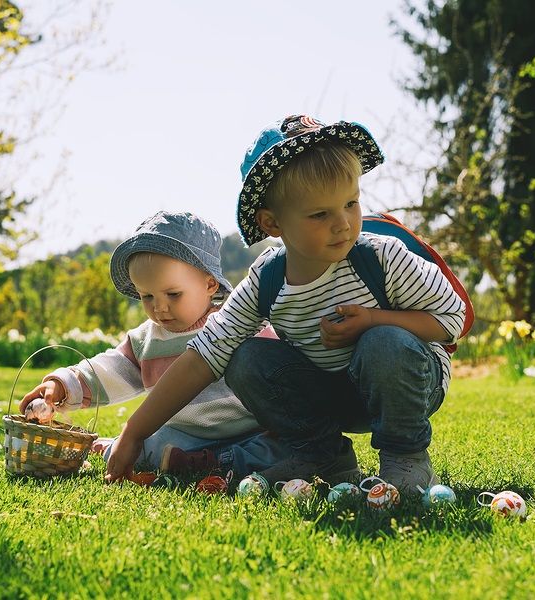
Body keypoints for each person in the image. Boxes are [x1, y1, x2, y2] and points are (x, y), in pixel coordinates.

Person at [105, 115, 466, 492]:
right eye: (320, 214)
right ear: (273, 223)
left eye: (350, 203)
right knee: (244, 357)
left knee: (384, 341)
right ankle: (323, 455)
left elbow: (451, 318)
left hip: (408, 384)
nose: (343, 223)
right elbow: (205, 354)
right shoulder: (269, 278)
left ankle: (406, 458)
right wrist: (134, 432)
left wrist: (373, 320)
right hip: (331, 393)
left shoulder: (381, 259)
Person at [19, 211, 289, 477]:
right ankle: (191, 461)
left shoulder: (237, 323)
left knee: (279, 447)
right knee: (147, 446)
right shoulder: (146, 341)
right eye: (146, 296)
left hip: (247, 431)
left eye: (173, 294)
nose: (159, 308)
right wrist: (63, 384)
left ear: (209, 284)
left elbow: (276, 368)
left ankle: (207, 462)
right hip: (184, 436)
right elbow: (109, 369)